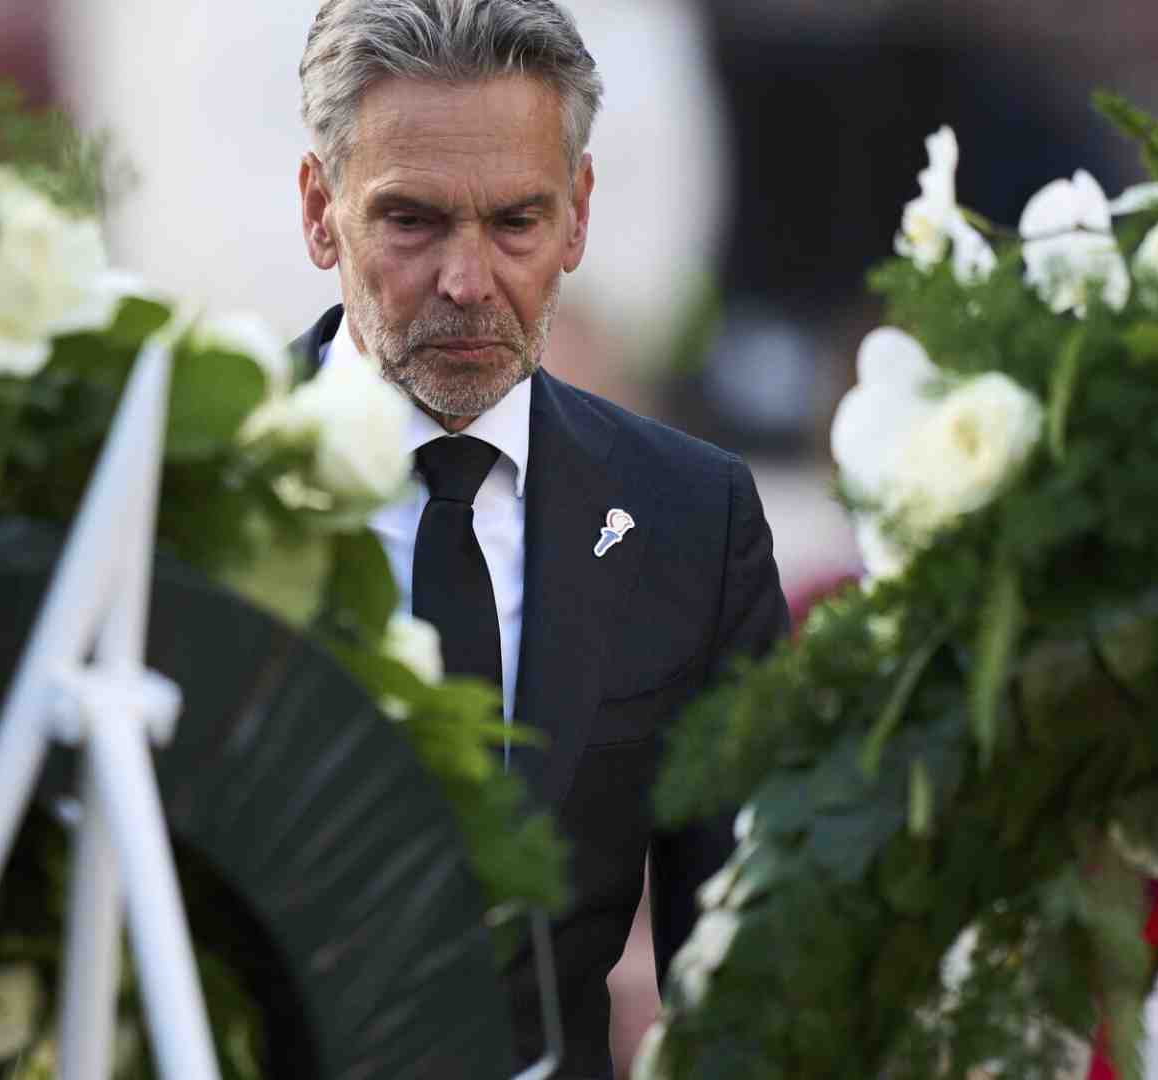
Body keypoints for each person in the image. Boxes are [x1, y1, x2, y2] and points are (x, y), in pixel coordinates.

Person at [289, 3, 790, 1075]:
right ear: (320, 211)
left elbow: (752, 975)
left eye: (516, 222)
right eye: (412, 222)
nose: (469, 283)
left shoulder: (693, 520)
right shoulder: (187, 487)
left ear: (578, 215)